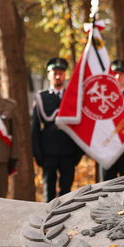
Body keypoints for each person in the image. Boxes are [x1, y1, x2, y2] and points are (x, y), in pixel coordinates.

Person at [32, 57, 83, 202]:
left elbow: (79, 125)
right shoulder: (41, 97)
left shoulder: (72, 96)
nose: (58, 76)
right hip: (48, 150)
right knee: (49, 189)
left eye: (60, 73)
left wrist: (79, 151)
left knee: (67, 190)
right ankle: (48, 220)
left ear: (65, 75)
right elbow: (35, 127)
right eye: (54, 73)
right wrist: (36, 152)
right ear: (48, 75)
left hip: (69, 150)